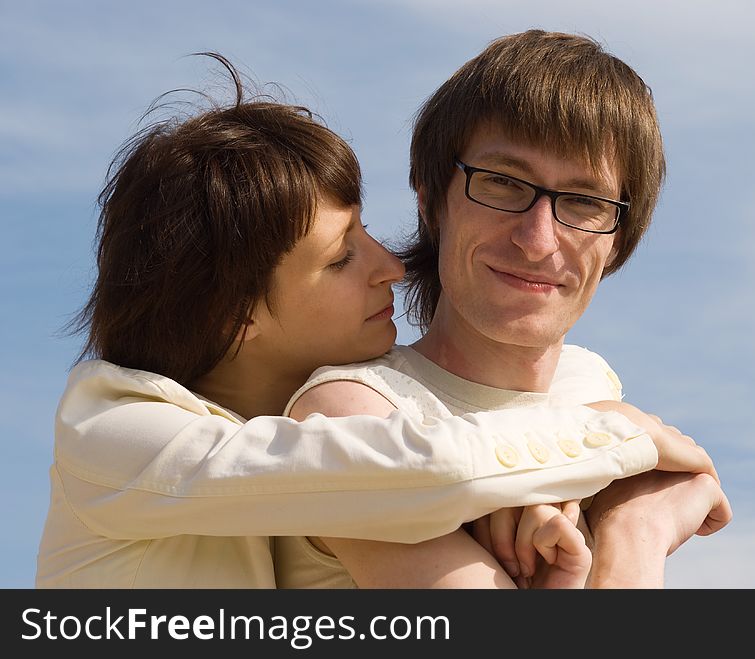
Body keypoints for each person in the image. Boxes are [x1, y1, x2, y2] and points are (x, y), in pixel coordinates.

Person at [35, 52, 710, 588]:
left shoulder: (588, 380)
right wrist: (629, 505)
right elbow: (408, 469)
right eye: (339, 259)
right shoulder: (117, 429)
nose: (389, 264)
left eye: (586, 201)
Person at [279, 29, 732, 588]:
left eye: (585, 201)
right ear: (431, 200)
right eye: (502, 183)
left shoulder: (588, 384)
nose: (538, 240)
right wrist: (636, 532)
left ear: (619, 239)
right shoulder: (351, 411)